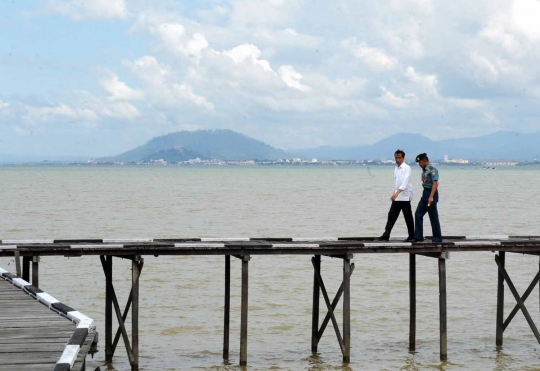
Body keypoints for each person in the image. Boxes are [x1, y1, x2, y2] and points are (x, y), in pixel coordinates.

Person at [378, 149, 415, 242]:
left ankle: (412, 236)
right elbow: (396, 183)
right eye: (396, 158)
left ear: (403, 158)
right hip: (397, 197)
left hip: (405, 196)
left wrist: (397, 193)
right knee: (391, 215)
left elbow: (405, 183)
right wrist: (394, 193)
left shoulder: (407, 168)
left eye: (399, 158)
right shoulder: (396, 168)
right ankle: (386, 235)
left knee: (408, 217)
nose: (398, 160)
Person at [414, 153, 442, 242]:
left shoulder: (432, 170)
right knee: (418, 214)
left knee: (433, 216)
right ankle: (418, 237)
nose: (419, 164)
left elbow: (435, 184)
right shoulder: (424, 170)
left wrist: (431, 197)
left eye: (419, 163)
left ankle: (437, 238)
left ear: (424, 161)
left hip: (431, 193)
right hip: (425, 193)